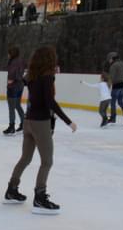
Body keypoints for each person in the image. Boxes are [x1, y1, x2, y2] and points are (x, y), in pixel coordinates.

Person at [4, 46, 77, 214]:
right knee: (47, 161)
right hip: (40, 123)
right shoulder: (47, 77)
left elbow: (21, 80)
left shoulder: (31, 76)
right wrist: (68, 121)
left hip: (28, 121)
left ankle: (11, 189)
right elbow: (50, 102)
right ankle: (40, 197)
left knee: (25, 158)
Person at [4, 46, 26, 135]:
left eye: (9, 53)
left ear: (12, 54)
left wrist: (11, 80)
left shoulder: (13, 62)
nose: (8, 55)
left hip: (13, 87)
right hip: (20, 86)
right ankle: (24, 123)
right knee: (17, 105)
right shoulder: (21, 61)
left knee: (11, 107)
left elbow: (12, 74)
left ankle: (11, 126)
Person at [106, 52, 123, 124]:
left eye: (109, 59)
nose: (109, 61)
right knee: (120, 101)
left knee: (113, 102)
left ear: (112, 58)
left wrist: (107, 87)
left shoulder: (113, 66)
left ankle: (113, 118)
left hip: (117, 85)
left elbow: (111, 77)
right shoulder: (122, 63)